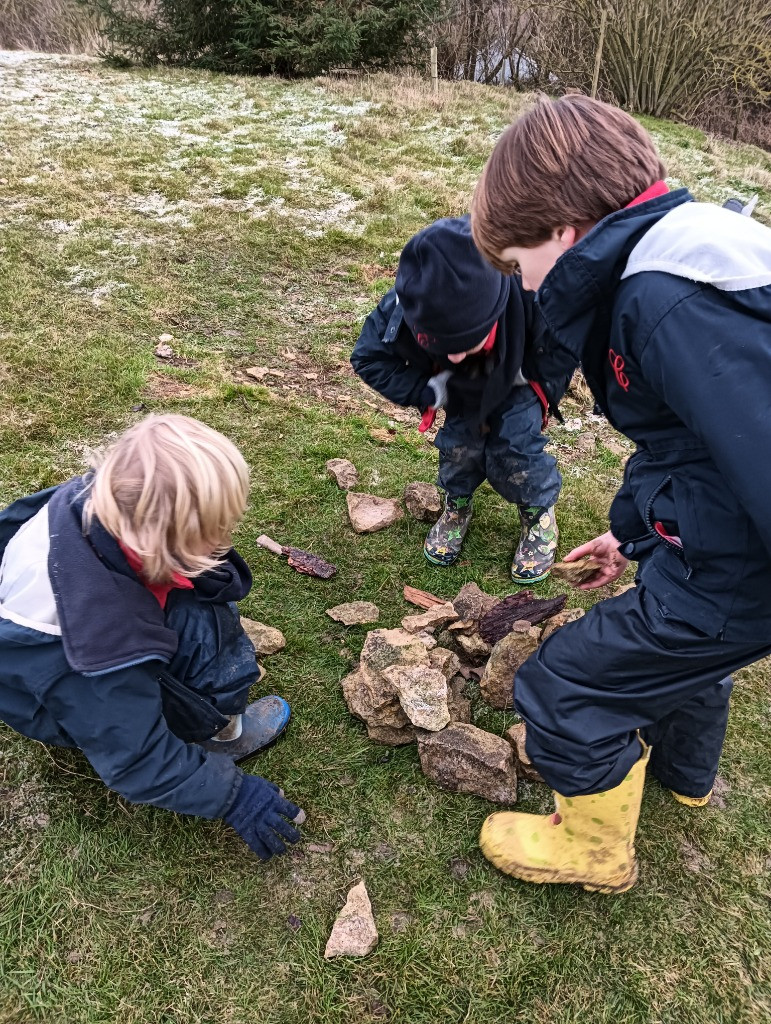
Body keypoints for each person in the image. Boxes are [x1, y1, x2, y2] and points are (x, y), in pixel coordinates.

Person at [469, 94, 771, 893]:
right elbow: (691, 441)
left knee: (565, 682)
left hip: (737, 571)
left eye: (517, 261)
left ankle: (593, 851)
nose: (524, 286)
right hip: (724, 546)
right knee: (691, 666)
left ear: (564, 231)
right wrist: (635, 537)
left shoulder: (666, 300)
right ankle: (686, 777)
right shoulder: (671, 256)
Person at [0, 414, 303, 863]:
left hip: (51, 660)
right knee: (209, 651)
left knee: (202, 604)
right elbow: (136, 761)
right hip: (58, 696)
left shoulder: (100, 502)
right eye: (209, 534)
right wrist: (236, 797)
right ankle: (214, 734)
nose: (225, 540)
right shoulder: (98, 650)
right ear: (152, 542)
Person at [351, 215, 563, 583]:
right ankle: (457, 505)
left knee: (518, 447)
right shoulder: (409, 301)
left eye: (464, 345)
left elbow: (565, 347)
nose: (454, 356)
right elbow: (369, 358)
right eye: (440, 346)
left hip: (519, 382)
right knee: (459, 449)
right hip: (457, 390)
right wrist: (427, 390)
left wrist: (534, 379)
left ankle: (538, 512)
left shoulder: (534, 287)